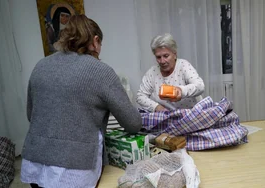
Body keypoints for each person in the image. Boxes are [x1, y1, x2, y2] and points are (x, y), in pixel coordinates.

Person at [20, 15, 142, 188]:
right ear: (95, 40)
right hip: (73, 171)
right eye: (100, 45)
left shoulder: (40, 65)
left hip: (34, 164)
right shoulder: (100, 71)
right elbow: (133, 123)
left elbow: (30, 114)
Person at [136, 33, 205, 112]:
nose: (162, 61)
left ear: (174, 54)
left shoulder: (183, 65)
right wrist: (157, 107)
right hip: (168, 117)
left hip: (192, 114)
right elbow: (140, 96)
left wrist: (181, 91)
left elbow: (200, 86)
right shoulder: (152, 72)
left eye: (166, 56)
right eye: (158, 57)